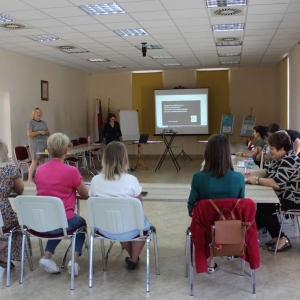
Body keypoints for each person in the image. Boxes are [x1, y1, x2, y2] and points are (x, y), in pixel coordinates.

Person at [89, 141, 151, 270]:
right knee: (140, 226)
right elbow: (139, 204)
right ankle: (134, 259)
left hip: (104, 228)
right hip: (129, 226)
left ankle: (132, 257)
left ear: (105, 158)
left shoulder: (96, 180)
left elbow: (92, 199)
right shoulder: (131, 180)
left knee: (117, 221)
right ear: (124, 159)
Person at [187, 134, 245, 273]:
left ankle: (210, 261)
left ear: (207, 153)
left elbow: (191, 209)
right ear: (227, 154)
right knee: (228, 220)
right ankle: (229, 250)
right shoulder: (238, 178)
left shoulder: (198, 177)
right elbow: (240, 208)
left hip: (205, 227)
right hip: (230, 227)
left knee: (206, 224)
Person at [34, 133, 89, 275]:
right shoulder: (71, 171)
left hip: (43, 222)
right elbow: (84, 194)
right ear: (66, 151)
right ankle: (74, 261)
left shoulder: (39, 170)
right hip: (63, 221)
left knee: (58, 222)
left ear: (48, 150)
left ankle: (47, 257)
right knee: (81, 224)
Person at [246, 130, 300, 252]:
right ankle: (274, 235)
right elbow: (268, 172)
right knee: (262, 205)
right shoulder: (281, 157)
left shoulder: (289, 160)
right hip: (285, 194)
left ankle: (281, 239)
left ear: (281, 148)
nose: (270, 151)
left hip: (294, 198)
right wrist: (249, 174)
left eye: (272, 148)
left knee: (264, 206)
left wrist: (257, 180)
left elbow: (276, 183)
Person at [0, 139, 31, 268]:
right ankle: (1, 249)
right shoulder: (9, 168)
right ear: (5, 152)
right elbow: (20, 190)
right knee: (22, 222)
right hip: (2, 211)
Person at [27, 108, 50, 182]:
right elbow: (29, 134)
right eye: (37, 112)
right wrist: (40, 132)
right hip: (35, 144)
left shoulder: (43, 122)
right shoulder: (31, 122)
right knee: (34, 161)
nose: (39, 114)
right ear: (34, 114)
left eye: (40, 112)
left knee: (42, 160)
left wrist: (44, 133)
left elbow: (48, 133)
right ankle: (29, 179)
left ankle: (40, 178)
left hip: (43, 143)